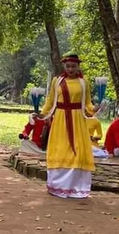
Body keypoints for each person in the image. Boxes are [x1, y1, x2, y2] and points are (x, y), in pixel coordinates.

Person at [38, 54, 99, 199]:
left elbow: (88, 102)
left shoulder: (84, 82)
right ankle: (58, 186)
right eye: (68, 66)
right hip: (60, 118)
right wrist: (42, 113)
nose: (71, 69)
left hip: (77, 118)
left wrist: (93, 109)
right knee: (61, 149)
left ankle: (76, 188)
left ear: (78, 67)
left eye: (73, 66)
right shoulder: (57, 81)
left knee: (78, 149)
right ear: (64, 66)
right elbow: (50, 99)